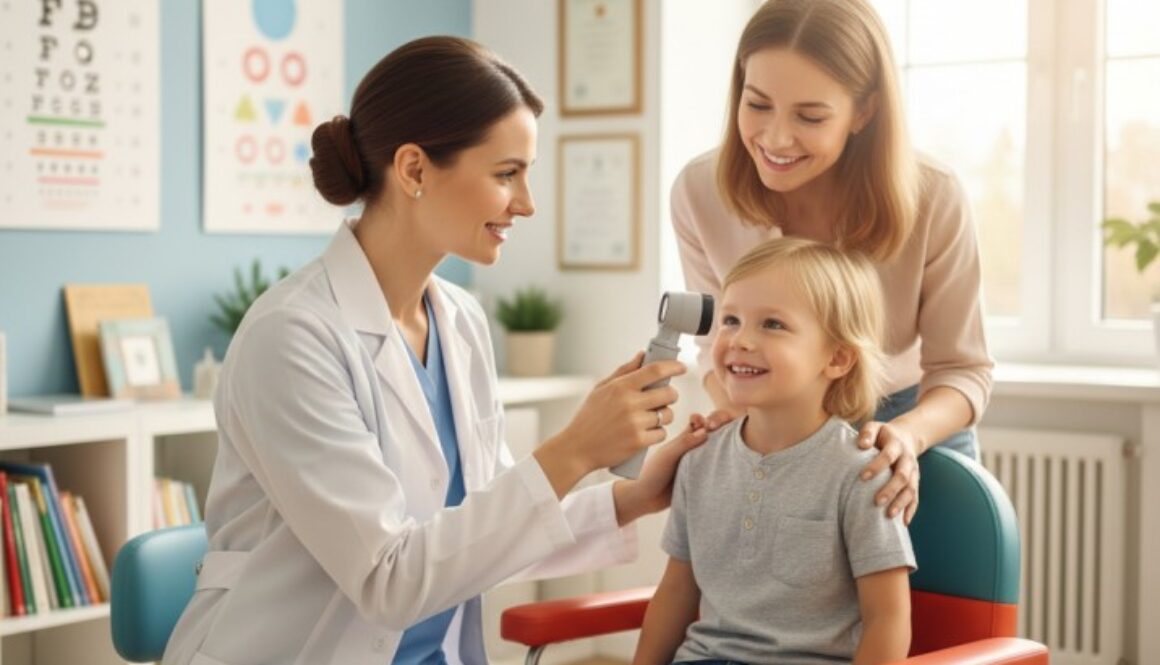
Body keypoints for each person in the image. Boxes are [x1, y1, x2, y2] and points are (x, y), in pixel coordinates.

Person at [163, 36, 709, 665]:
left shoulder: (460, 321)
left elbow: (485, 533)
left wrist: (632, 496)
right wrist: (575, 448)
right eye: (507, 174)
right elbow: (389, 581)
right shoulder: (290, 338)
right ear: (415, 169)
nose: (527, 203)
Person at [671, 0, 993, 525]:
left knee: (925, 603)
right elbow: (714, 348)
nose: (775, 138)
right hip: (772, 418)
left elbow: (963, 368)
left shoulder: (934, 196)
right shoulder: (698, 192)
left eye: (810, 115)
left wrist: (906, 437)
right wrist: (746, 421)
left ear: (863, 111)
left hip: (908, 422)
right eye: (757, 105)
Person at [634, 237, 915, 665]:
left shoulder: (862, 472)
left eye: (772, 325)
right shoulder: (699, 459)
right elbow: (676, 591)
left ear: (837, 359)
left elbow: (887, 619)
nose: (740, 340)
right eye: (730, 320)